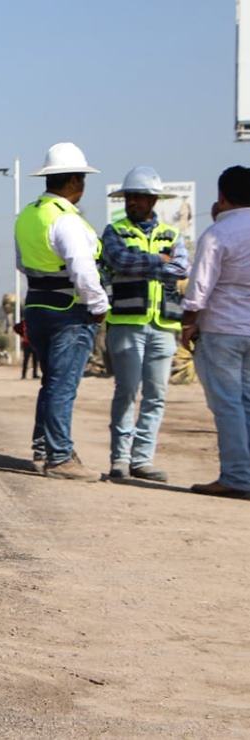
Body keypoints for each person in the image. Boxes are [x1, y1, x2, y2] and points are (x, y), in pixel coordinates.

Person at [15, 142, 110, 480]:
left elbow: (23, 264)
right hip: (70, 312)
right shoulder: (67, 221)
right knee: (62, 385)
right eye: (82, 179)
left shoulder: (28, 216)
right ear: (72, 181)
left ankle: (44, 447)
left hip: (38, 310)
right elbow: (83, 270)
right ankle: (59, 457)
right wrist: (99, 306)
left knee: (51, 383)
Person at [101, 166, 190, 482]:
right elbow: (119, 261)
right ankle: (120, 460)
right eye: (129, 197)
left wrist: (148, 265)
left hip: (163, 326)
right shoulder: (115, 231)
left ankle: (142, 460)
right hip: (127, 322)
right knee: (127, 391)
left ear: (153, 200)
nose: (132, 202)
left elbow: (181, 268)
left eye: (138, 197)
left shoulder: (172, 234)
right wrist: (159, 262)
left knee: (156, 395)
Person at [181, 165, 250, 499]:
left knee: (228, 405)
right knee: (247, 403)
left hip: (222, 329)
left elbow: (198, 288)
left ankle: (237, 476)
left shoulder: (218, 234)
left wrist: (188, 323)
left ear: (222, 196)